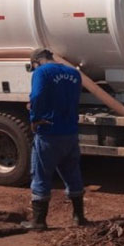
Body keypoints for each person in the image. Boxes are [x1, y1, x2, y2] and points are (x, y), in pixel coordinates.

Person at [21, 48, 86, 231]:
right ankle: (78, 217)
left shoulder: (42, 72)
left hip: (49, 133)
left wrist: (35, 117)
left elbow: (37, 95)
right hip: (71, 133)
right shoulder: (73, 72)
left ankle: (39, 222)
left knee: (40, 175)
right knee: (72, 173)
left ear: (36, 62)